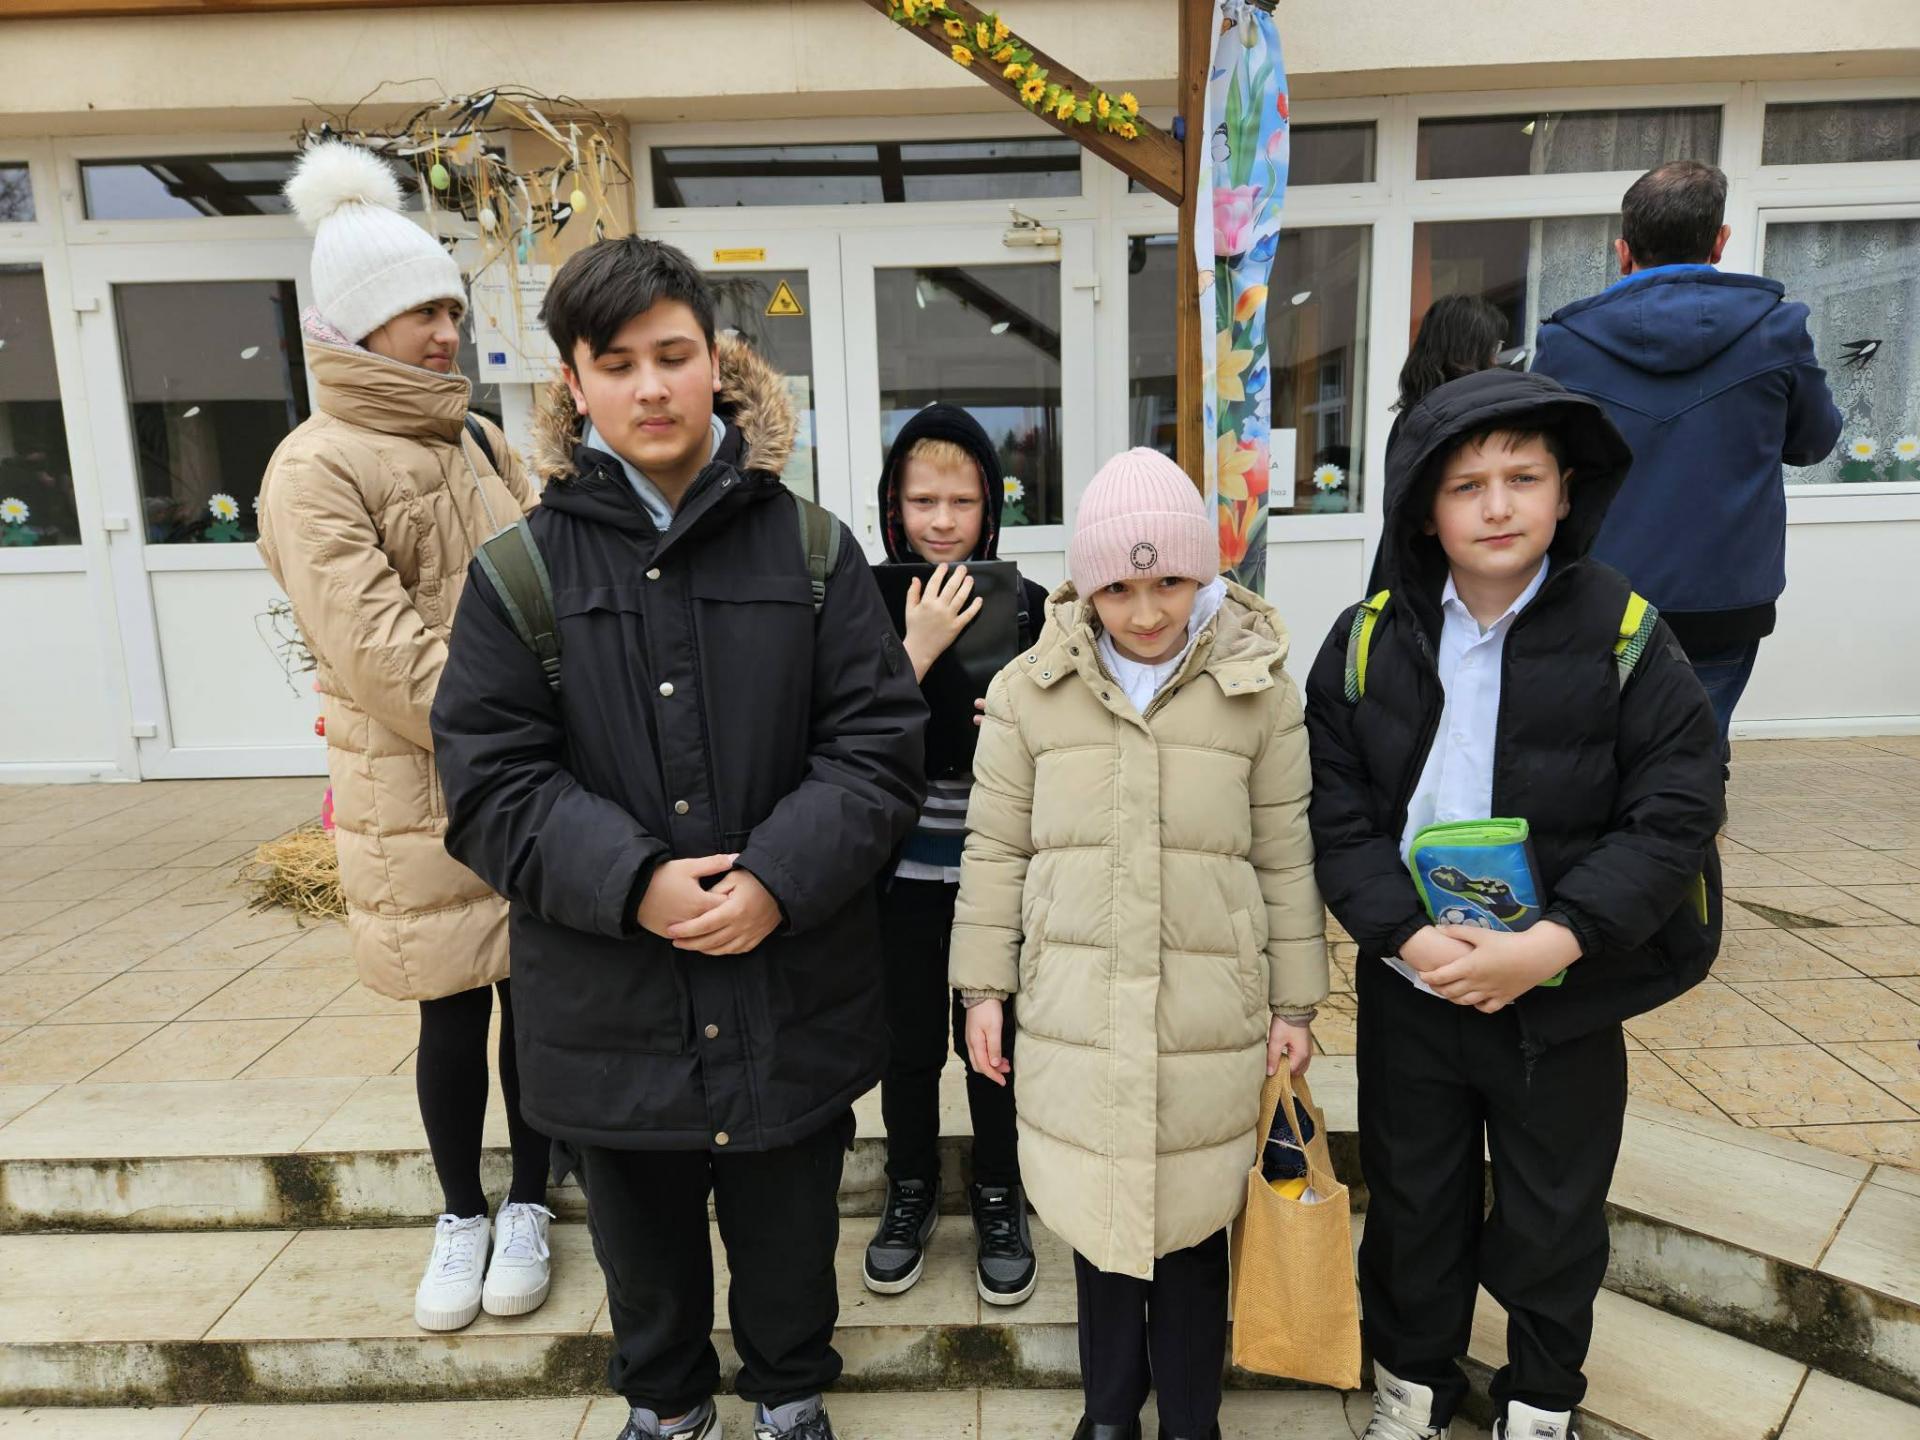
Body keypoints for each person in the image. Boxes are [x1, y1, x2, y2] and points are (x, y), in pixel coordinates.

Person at [429, 236, 927, 1440]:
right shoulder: (517, 573)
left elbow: (877, 748)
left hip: (787, 985)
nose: (650, 387)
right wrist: (635, 880)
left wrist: (777, 879)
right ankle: (666, 1410)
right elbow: (489, 783)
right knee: (641, 1251)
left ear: (718, 363)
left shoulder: (813, 551)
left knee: (790, 1233)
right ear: (574, 383)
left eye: (673, 355)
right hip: (612, 1002)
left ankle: (790, 1396)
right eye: (617, 363)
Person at [1303, 369, 1725, 1440]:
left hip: (1560, 993)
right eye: (1465, 485)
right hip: (1414, 986)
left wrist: (1557, 942)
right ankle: (1413, 1384)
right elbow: (1335, 813)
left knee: (1554, 1210)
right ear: (1423, 510)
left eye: (1523, 478)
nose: (1497, 506)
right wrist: (1403, 936)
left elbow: (1676, 806)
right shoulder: (1367, 638)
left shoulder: (1625, 630)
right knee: (1413, 1197)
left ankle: (1539, 1400)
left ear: (1566, 490)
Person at [952, 448, 1328, 1440]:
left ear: (1203, 572)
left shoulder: (1260, 690)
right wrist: (983, 989)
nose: (1147, 611)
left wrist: (1296, 1003)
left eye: (1169, 583)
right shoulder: (1030, 692)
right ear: (1086, 585)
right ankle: (1110, 1415)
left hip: (1208, 1017)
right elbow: (994, 850)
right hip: (1077, 1011)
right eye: (1119, 587)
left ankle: (1192, 1422)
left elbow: (1285, 854)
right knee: (1100, 1228)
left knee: (1197, 1229)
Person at [257, 142, 552, 1336]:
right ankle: (460, 1209)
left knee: (534, 990)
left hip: (521, 770)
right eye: (421, 312)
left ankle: (530, 1200)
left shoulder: (476, 440)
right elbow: (381, 655)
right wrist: (532, 722)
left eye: (450, 309)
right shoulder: (313, 468)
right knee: (451, 1003)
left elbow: (550, 573)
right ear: (357, 324)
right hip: (418, 784)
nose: (445, 331)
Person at [1533, 159, 1842, 749]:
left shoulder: (1565, 343)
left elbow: (1535, 466)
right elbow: (1813, 442)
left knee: (1599, 755)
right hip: (1726, 596)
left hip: (1601, 593)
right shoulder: (1777, 330)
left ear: (1623, 251)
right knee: (1695, 752)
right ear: (1719, 242)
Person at [863, 405, 1049, 1306]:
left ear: (991, 508)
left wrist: (1020, 718)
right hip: (900, 872)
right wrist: (918, 649)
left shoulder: (1033, 607)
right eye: (923, 501)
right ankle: (909, 1184)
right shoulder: (859, 607)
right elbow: (842, 731)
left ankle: (999, 1188)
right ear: (894, 507)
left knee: (995, 1040)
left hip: (996, 870)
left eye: (963, 502)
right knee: (904, 1043)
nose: (942, 521)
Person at [1367, 295, 1510, 592]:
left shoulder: (1410, 419)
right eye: (1494, 348)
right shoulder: (1471, 420)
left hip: (1409, 569)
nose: (1497, 360)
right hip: (1449, 578)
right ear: (1471, 351)